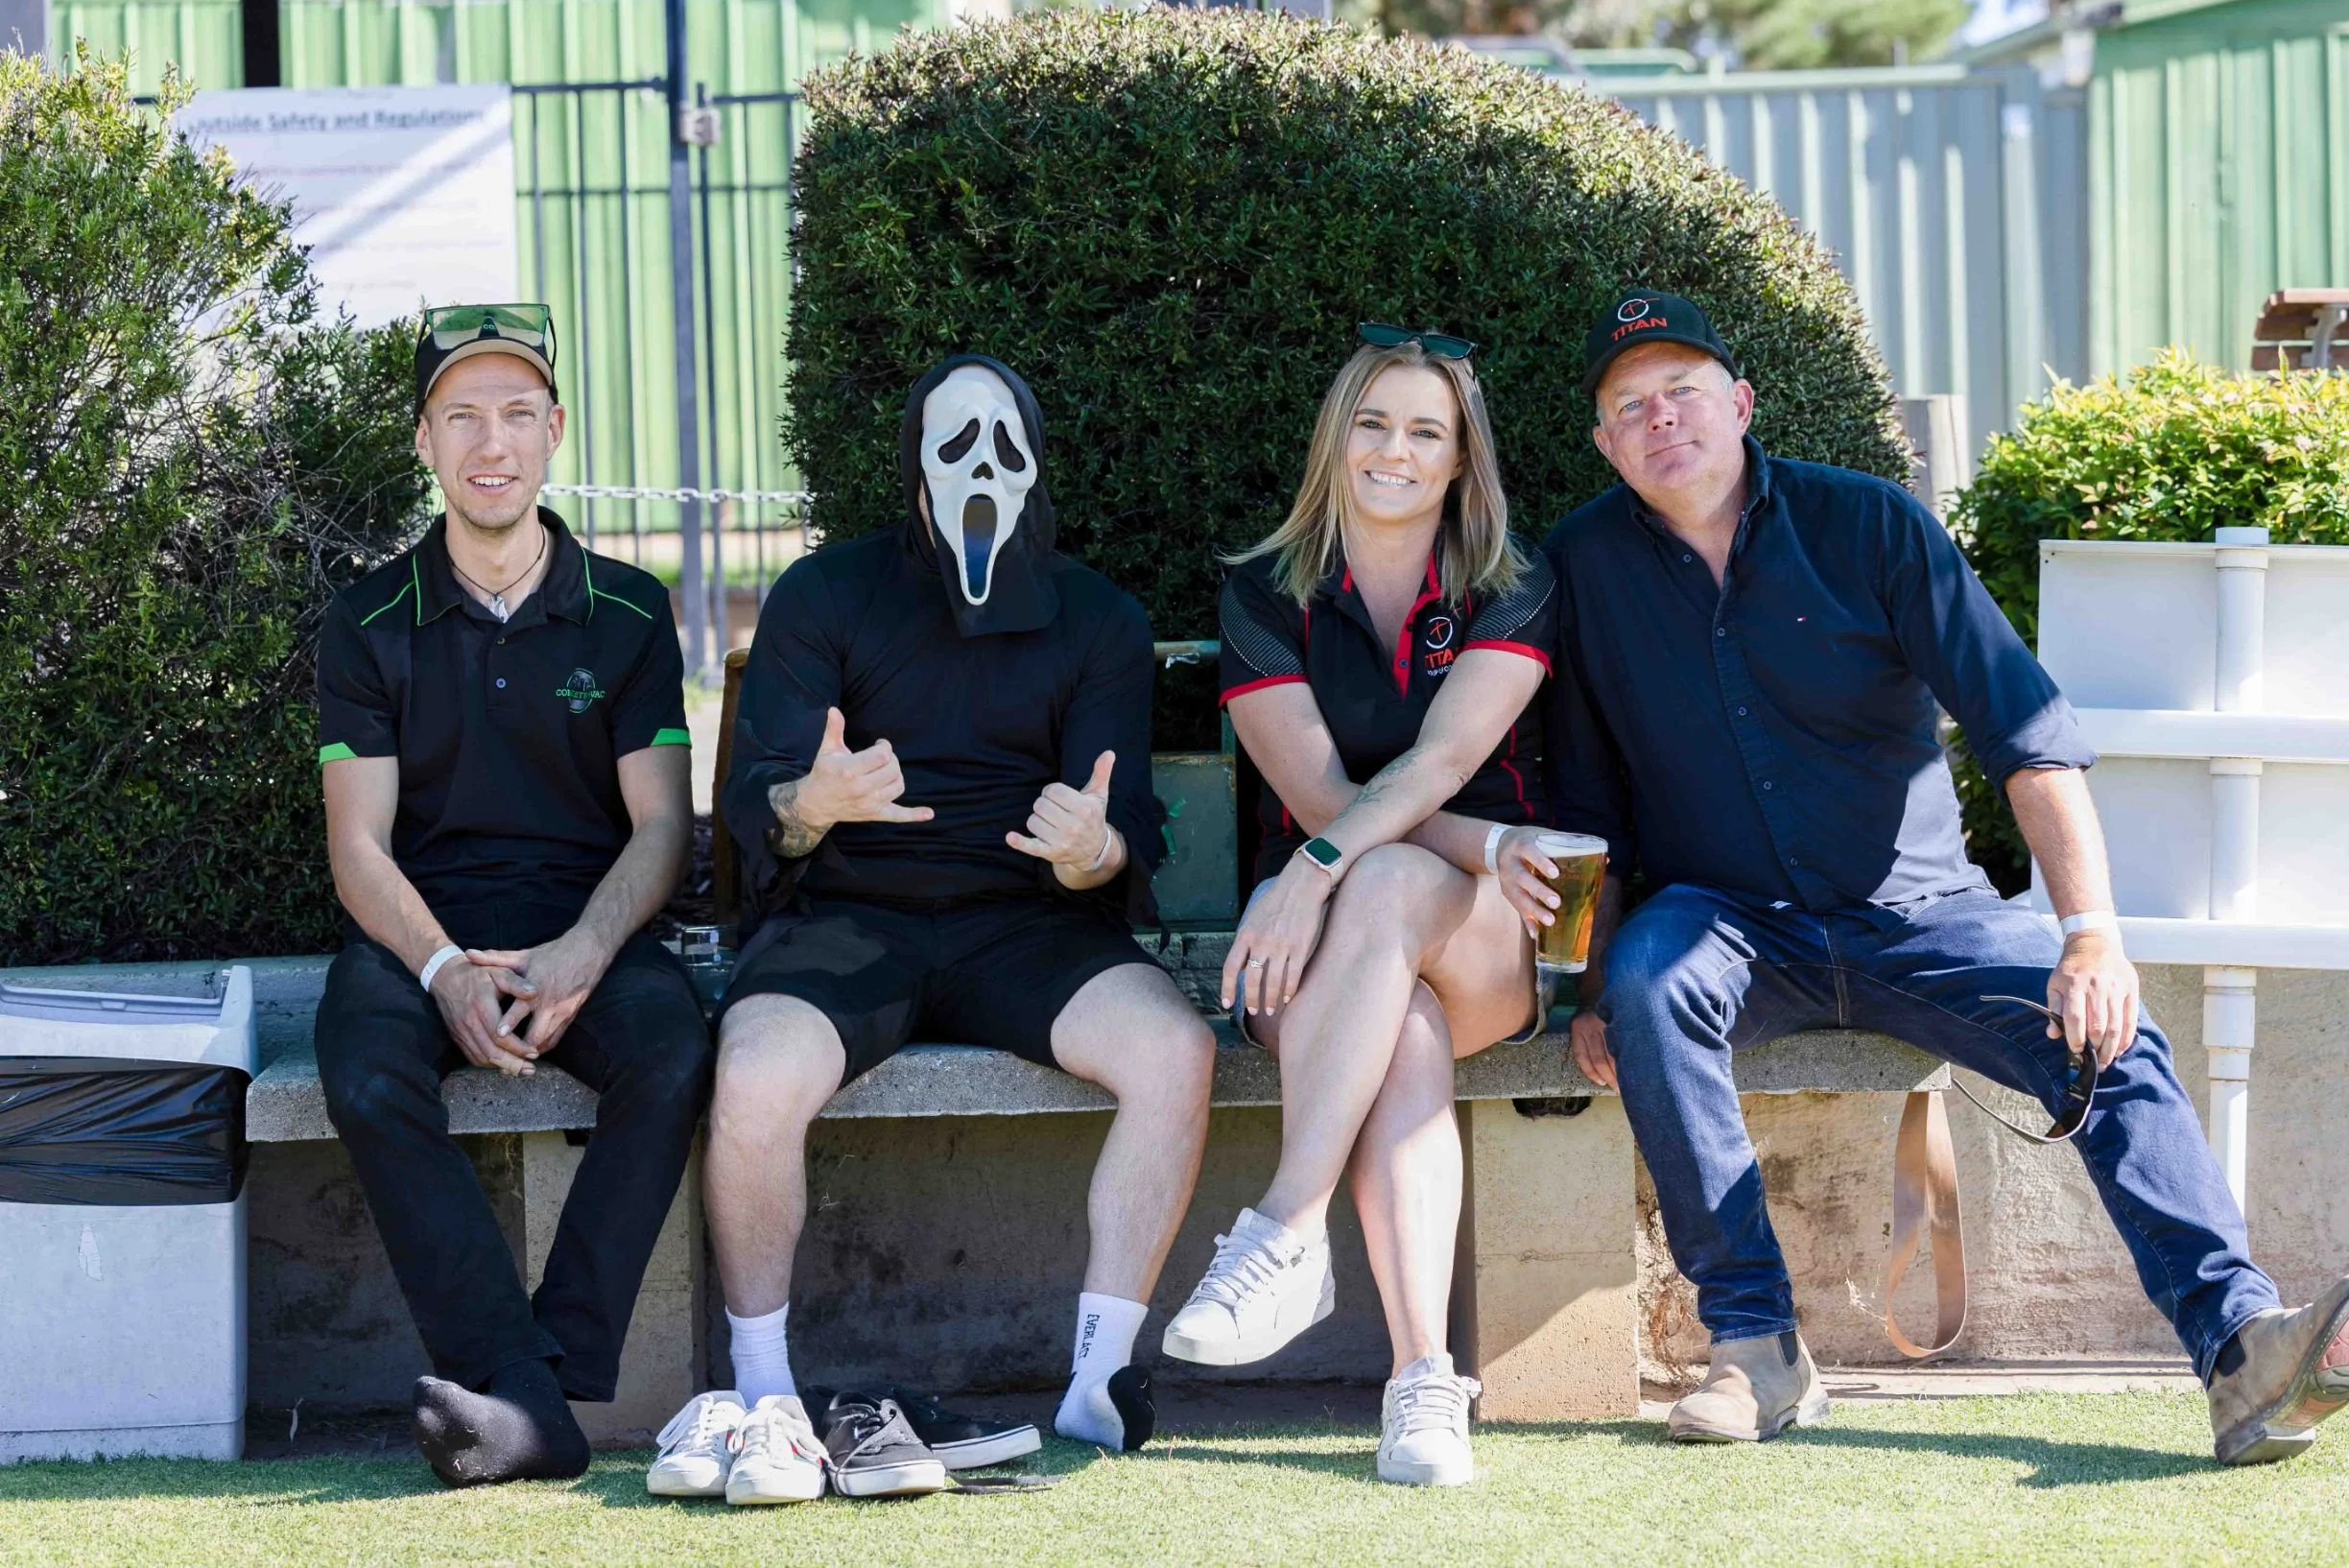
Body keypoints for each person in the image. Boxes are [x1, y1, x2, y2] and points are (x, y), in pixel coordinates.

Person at [1543, 288, 2349, 1462]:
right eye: (1628, 406)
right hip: (1727, 919)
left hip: (1923, 918)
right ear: (1602, 443)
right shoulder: (1580, 565)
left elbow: (2023, 730)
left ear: (1739, 402)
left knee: (2109, 1033)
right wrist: (1589, 978)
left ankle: (2241, 1348)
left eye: (1682, 390)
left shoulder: (1872, 526)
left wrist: (2089, 932)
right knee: (1648, 982)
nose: (1659, 419)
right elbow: (1582, 800)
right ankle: (1755, 1348)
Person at [651, 354, 1217, 1506]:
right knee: (752, 1076)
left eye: (1004, 448)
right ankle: (768, 1392)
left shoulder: (1099, 617)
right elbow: (766, 804)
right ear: (914, 458)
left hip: (1028, 923)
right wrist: (814, 806)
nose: (981, 471)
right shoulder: (824, 595)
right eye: (956, 445)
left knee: (1177, 1051)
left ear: (1037, 464)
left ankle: (1099, 1375)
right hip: (850, 921)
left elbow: (1125, 825)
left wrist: (1091, 851)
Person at [1159, 327, 1567, 1488]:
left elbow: (1439, 762)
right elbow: (1323, 795)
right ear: (1337, 439)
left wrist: (1316, 866)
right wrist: (1330, 860)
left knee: (1388, 879)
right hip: (1335, 944)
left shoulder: (1512, 582)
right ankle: (1423, 1382)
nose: (1394, 449)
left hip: (1490, 925)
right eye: (1372, 423)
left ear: (1458, 460)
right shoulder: (1261, 589)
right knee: (1404, 1034)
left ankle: (1286, 1227)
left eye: (1424, 430)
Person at [314, 304, 713, 1487]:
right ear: (426, 443)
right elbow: (358, 847)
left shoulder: (632, 611)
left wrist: (585, 949)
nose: (494, 442)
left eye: (519, 414)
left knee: (675, 1048)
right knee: (364, 1067)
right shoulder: (367, 621)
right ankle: (526, 1395)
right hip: (415, 928)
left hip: (580, 916)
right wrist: (441, 971)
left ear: (555, 432)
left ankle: (541, 1380)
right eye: (464, 416)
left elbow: (659, 826)